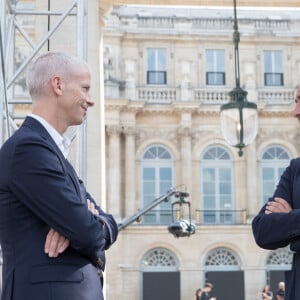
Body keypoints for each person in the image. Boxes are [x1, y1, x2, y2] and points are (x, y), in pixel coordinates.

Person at [0, 52, 118, 300]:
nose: (91, 100)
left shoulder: (51, 152)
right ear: (58, 84)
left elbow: (106, 224)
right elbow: (88, 233)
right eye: (85, 88)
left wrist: (83, 221)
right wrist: (82, 222)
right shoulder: (28, 149)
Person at [252, 84, 300, 300]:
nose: (295, 111)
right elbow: (262, 230)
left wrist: (289, 219)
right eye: (296, 101)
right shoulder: (296, 168)